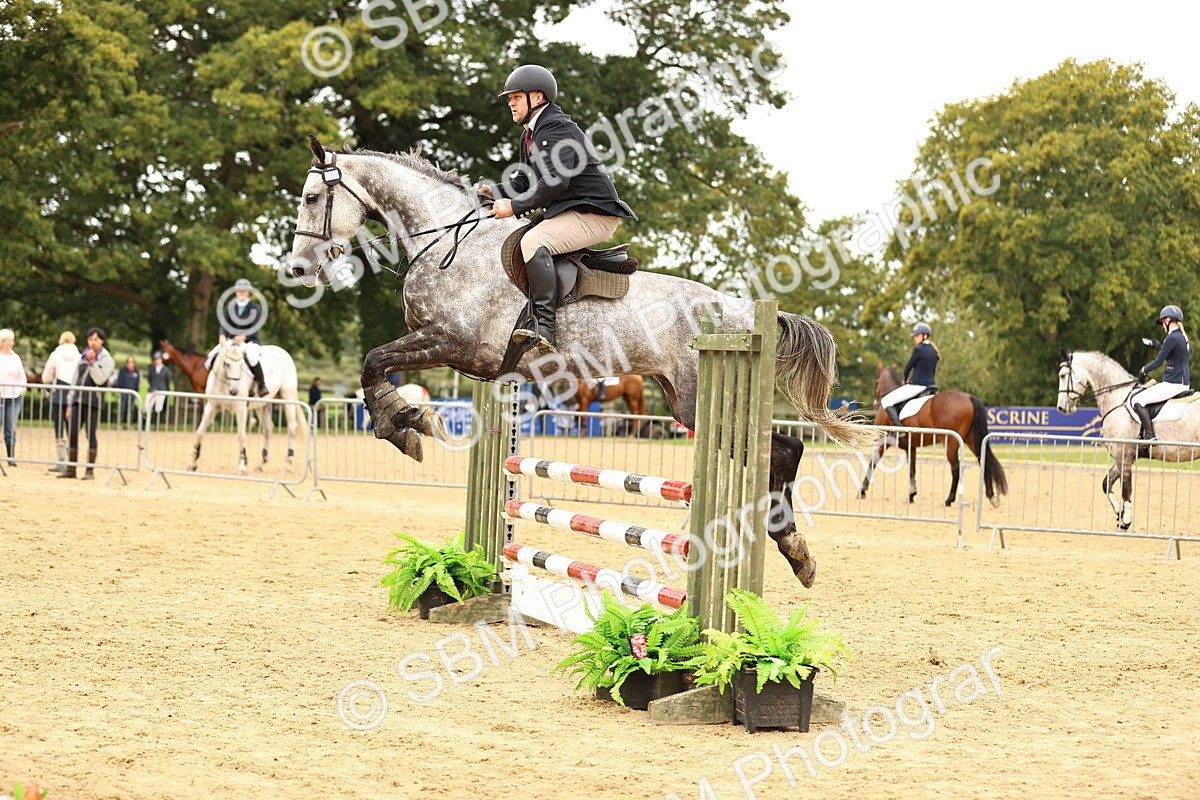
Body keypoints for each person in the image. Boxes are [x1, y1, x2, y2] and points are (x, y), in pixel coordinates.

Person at [479, 64, 637, 354]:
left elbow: (554, 182)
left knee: (534, 241)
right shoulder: (530, 134)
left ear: (536, 97)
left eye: (515, 97)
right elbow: (525, 180)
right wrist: (495, 192)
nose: (510, 103)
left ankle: (544, 326)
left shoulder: (555, 127)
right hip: (571, 211)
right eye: (509, 98)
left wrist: (513, 207)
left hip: (593, 213)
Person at [59, 326, 116, 480]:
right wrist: (69, 403)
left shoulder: (107, 360)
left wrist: (92, 363)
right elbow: (74, 381)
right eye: (90, 339)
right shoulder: (81, 358)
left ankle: (89, 471)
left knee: (91, 434)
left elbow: (100, 379)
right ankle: (71, 468)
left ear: (102, 341)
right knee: (72, 433)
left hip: (93, 402)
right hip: (78, 400)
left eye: (96, 339)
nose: (92, 343)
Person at [1133, 305, 1191, 441]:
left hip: (1173, 383)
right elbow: (1174, 355)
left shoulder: (1172, 338)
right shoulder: (1181, 336)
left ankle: (1149, 436)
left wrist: (1144, 370)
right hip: (1182, 381)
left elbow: (1158, 362)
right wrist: (1159, 346)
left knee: (1137, 400)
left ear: (1168, 320)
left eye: (1162, 322)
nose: (1162, 326)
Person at [205, 278, 268, 396]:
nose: (242, 293)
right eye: (239, 291)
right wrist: (222, 336)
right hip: (231, 340)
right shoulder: (230, 306)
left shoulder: (254, 307)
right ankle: (213, 383)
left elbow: (255, 327)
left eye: (244, 291)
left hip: (249, 341)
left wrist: (244, 336)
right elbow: (224, 324)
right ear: (236, 292)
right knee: (210, 358)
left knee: (252, 358)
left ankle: (261, 384)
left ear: (248, 293)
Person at [881, 322, 942, 426]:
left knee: (886, 400)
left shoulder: (918, 350)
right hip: (931, 386)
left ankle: (899, 429)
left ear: (925, 335)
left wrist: (905, 379)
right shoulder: (934, 351)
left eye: (917, 335)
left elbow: (908, 367)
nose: (915, 338)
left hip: (917, 385)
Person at [41, 330, 81, 471]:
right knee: (72, 427)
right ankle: (72, 460)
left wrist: (48, 384)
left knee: (59, 427)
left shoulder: (55, 355)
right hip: (74, 394)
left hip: (58, 393)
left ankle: (61, 460)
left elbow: (46, 376)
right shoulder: (79, 356)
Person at [0, 328, 28, 466]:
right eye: (10, 340)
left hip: (13, 397)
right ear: (3, 341)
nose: (12, 342)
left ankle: (11, 458)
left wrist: (21, 389)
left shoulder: (15, 357)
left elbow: (21, 377)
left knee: (10, 427)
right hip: (0, 396)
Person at [115, 356, 140, 428]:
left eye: (132, 362)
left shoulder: (136, 372)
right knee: (121, 409)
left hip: (132, 394)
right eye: (129, 362)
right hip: (123, 393)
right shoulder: (122, 371)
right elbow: (119, 381)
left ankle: (129, 424)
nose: (130, 363)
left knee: (131, 410)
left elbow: (137, 383)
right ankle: (119, 424)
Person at [146, 351, 171, 423]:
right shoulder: (151, 369)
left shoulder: (166, 370)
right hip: (152, 389)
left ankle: (157, 424)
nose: (156, 361)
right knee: (147, 406)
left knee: (159, 408)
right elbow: (149, 379)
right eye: (155, 359)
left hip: (161, 390)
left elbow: (167, 381)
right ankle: (147, 423)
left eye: (158, 359)